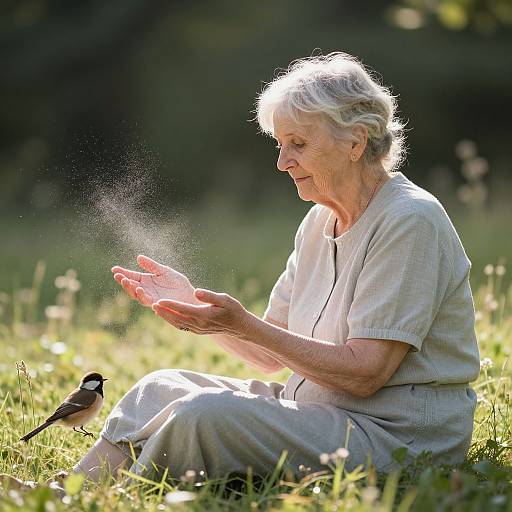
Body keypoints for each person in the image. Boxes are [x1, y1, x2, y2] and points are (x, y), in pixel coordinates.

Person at [73, 52, 481, 483]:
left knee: (203, 415)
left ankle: (116, 497)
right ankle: (65, 491)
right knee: (159, 387)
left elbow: (365, 374)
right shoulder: (319, 220)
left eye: (298, 144)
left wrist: (242, 323)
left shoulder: (409, 220)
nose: (282, 162)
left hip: (395, 438)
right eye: (280, 145)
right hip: (322, 412)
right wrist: (191, 305)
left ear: (355, 142)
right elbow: (269, 353)